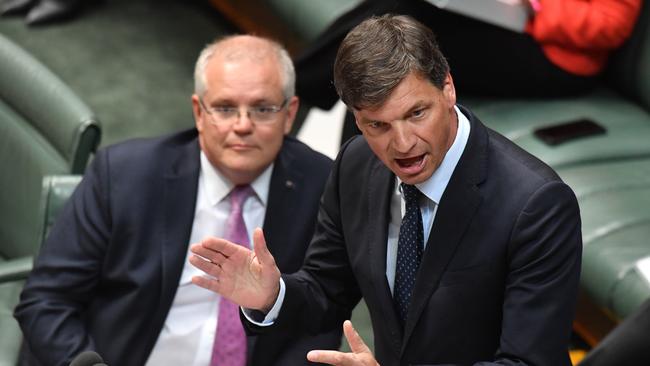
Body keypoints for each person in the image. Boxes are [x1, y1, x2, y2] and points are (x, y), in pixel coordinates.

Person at [189, 15, 583, 365]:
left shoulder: (537, 205)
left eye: (416, 114)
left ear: (448, 88)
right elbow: (327, 289)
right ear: (356, 119)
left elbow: (526, 361)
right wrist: (271, 295)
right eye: (377, 125)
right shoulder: (357, 163)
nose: (403, 144)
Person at [14, 35, 343, 366]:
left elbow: (321, 318)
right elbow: (46, 301)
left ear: (289, 114)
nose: (243, 125)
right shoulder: (125, 175)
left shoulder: (324, 187)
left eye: (262, 109)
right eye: (226, 108)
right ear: (199, 112)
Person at [295, 0, 643, 108]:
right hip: (501, 18)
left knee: (399, 46)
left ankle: (292, 92)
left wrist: (535, 5)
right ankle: (293, 91)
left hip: (557, 58)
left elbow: (610, 26)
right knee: (394, 12)